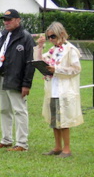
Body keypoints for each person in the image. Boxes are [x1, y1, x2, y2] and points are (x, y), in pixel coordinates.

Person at [34, 22, 83, 158]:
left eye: (53, 36)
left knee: (64, 121)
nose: (51, 40)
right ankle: (57, 147)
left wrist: (57, 70)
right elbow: (40, 60)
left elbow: (76, 69)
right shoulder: (53, 50)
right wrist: (39, 47)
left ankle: (67, 149)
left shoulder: (70, 49)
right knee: (54, 120)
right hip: (52, 89)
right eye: (49, 37)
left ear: (61, 34)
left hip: (65, 90)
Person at [0, 9, 35, 151]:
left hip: (16, 79)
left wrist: (26, 84)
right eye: (4, 19)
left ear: (18, 20)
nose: (6, 22)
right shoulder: (4, 36)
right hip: (2, 77)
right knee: (4, 110)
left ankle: (22, 143)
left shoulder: (25, 37)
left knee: (19, 110)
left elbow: (30, 63)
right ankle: (6, 139)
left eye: (9, 19)